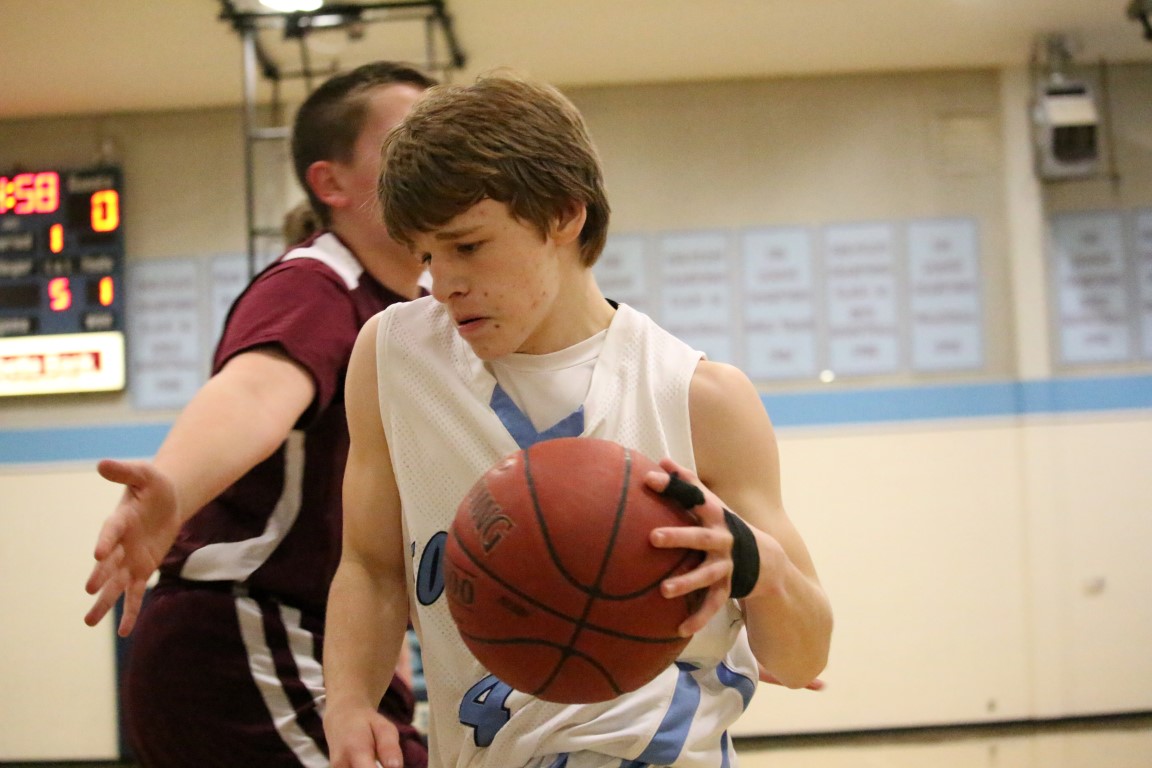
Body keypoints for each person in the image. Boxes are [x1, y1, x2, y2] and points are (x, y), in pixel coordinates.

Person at [322, 74, 833, 768]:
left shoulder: (700, 397)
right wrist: (350, 700)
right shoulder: (393, 357)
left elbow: (804, 659)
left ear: (565, 215)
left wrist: (757, 565)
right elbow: (371, 567)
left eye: (468, 246)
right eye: (426, 255)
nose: (443, 284)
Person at [82, 61, 436, 768]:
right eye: (407, 144)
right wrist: (176, 485)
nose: (435, 163)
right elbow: (253, 395)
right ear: (330, 184)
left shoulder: (431, 310)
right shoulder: (316, 284)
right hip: (244, 640)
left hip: (321, 648)